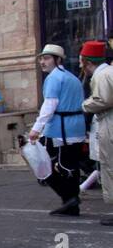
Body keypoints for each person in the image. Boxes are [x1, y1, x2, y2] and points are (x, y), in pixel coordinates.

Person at [28, 43, 88, 216]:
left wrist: (36, 129)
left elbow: (49, 105)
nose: (42, 62)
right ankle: (71, 201)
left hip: (61, 130)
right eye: (41, 58)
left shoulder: (54, 78)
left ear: (57, 60)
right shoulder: (71, 77)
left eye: (46, 58)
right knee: (70, 165)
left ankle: (70, 198)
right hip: (74, 128)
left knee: (49, 165)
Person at [79, 39, 113, 226]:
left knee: (110, 167)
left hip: (109, 123)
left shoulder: (102, 76)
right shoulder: (109, 72)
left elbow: (102, 100)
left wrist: (84, 105)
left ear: (88, 62)